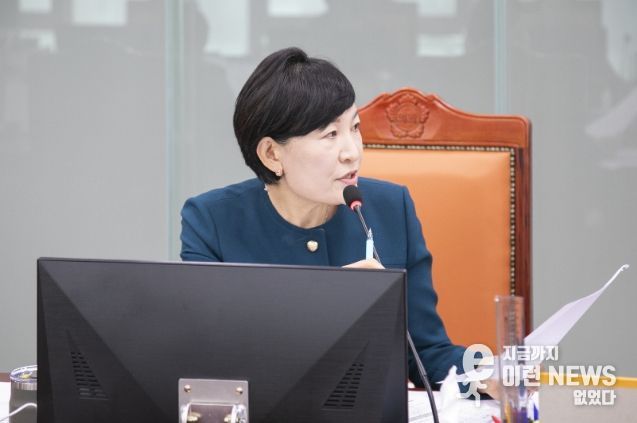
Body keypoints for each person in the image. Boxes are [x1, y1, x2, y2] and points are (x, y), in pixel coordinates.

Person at [180, 47, 495, 394]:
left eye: (354, 127)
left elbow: (426, 354)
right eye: (330, 135)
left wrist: (491, 372)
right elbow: (210, 367)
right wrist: (329, 306)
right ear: (272, 154)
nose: (352, 152)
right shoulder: (211, 223)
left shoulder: (392, 208)